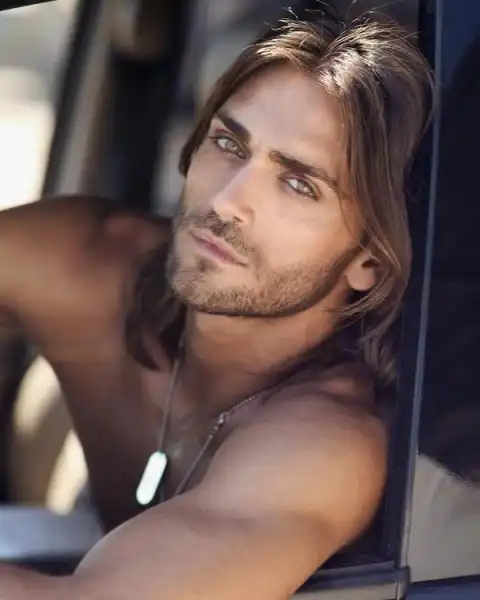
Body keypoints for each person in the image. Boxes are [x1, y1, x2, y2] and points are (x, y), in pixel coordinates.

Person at [0, 10, 432, 599]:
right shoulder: (87, 266)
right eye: (229, 143)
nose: (228, 201)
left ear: (370, 262)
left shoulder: (323, 448)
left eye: (298, 183)